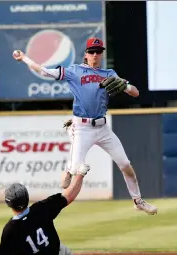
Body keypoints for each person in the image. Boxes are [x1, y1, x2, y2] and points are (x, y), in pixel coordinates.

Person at [12, 37, 157, 215]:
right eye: (91, 52)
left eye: (98, 52)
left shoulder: (109, 73)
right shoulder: (75, 71)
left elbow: (136, 93)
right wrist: (25, 58)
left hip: (102, 128)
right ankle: (69, 168)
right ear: (86, 55)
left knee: (125, 164)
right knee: (70, 177)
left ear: (102, 54)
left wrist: (124, 86)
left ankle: (138, 201)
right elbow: (43, 72)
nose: (95, 55)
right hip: (82, 127)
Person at [0, 163, 92, 255]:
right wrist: (80, 175)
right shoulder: (42, 207)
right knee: (62, 248)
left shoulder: (10, 229)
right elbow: (70, 195)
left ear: (9, 203)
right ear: (27, 197)